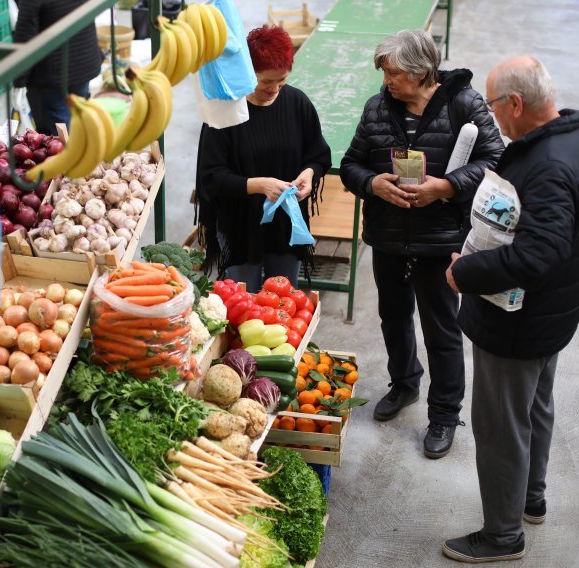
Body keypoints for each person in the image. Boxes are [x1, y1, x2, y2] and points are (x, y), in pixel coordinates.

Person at [339, 29, 504, 458]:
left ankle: (445, 415)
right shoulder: (378, 107)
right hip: (389, 238)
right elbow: (350, 164)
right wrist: (372, 183)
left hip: (442, 241)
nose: (386, 80)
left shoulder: (465, 105)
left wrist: (446, 187)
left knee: (442, 329)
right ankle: (405, 383)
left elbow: (496, 161)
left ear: (419, 71)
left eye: (392, 72)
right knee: (393, 318)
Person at [442, 56, 579, 563]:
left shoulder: (547, 167)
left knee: (501, 426)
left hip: (517, 321)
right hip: (553, 317)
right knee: (535, 407)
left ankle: (502, 536)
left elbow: (537, 255)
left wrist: (466, 273)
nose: (492, 115)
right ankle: (531, 499)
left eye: (495, 105)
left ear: (516, 104)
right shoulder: (566, 139)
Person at [196, 25, 331, 292]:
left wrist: (309, 173)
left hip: (286, 226)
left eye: (281, 80)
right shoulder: (225, 113)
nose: (275, 88)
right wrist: (259, 185)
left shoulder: (297, 103)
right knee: (243, 304)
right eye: (266, 81)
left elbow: (318, 154)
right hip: (241, 227)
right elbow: (210, 178)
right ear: (247, 72)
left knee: (284, 301)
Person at [13, 0, 103, 136]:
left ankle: (68, 154)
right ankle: (81, 152)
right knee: (78, 117)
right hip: (83, 60)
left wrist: (19, 80)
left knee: (56, 132)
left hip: (51, 75)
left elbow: (25, 37)